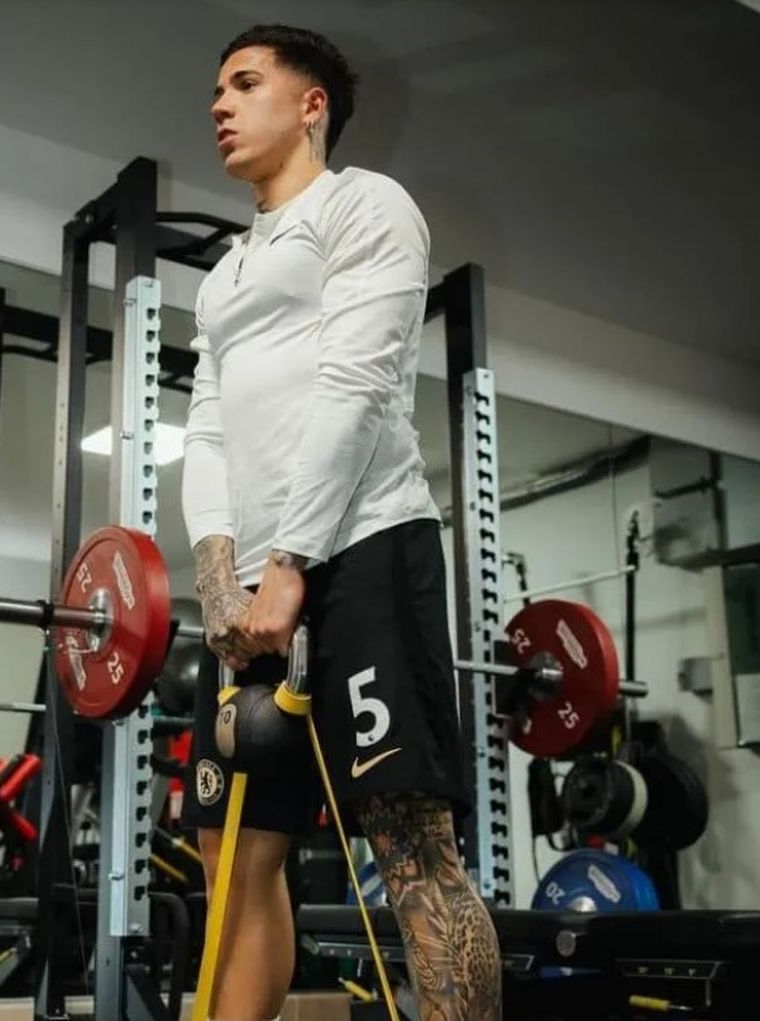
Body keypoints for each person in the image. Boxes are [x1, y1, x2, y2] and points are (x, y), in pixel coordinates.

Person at [181, 24, 501, 1021]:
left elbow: (357, 385)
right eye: (217, 90)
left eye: (244, 84)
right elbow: (204, 430)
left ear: (310, 104)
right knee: (231, 849)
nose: (220, 104)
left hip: (366, 547)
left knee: (410, 849)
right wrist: (218, 581)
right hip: (256, 596)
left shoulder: (366, 206)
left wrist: (290, 566)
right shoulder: (222, 277)